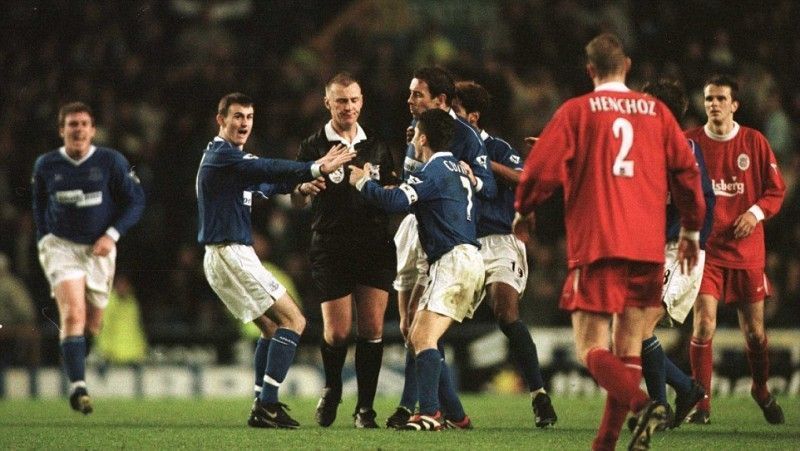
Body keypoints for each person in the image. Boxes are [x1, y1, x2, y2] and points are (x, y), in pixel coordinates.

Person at [513, 33, 706, 451]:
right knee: (629, 349)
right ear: (628, 66)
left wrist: (524, 208)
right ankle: (606, 443)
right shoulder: (657, 112)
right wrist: (691, 229)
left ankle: (643, 404)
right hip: (648, 247)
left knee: (590, 348)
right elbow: (688, 174)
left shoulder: (577, 111)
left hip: (599, 244)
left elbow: (538, 171)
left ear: (590, 70)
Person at [196, 92, 353, 429]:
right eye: (237, 116)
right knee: (294, 321)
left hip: (224, 255)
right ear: (220, 120)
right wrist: (316, 166)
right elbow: (268, 167)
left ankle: (260, 403)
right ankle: (267, 405)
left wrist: (303, 184)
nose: (244, 124)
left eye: (249, 117)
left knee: (269, 328)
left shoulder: (234, 163)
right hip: (230, 252)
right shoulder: (221, 156)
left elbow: (268, 181)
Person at [349, 108, 485, 431]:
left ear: (422, 137)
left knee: (421, 336)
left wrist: (363, 183)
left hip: (453, 261)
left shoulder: (434, 170)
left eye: (415, 133)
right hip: (465, 259)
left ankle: (431, 413)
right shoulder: (455, 167)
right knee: (422, 337)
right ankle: (456, 416)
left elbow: (396, 202)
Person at [385, 66, 496, 430]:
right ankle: (454, 414)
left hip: (450, 238)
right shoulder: (417, 134)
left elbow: (489, 188)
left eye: (418, 94)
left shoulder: (463, 136)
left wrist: (470, 177)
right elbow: (410, 183)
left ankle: (425, 409)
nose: (410, 100)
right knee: (412, 328)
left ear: (440, 99)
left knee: (423, 332)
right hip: (425, 232)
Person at [291, 73, 398, 429]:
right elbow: (295, 197)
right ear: (328, 104)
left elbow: (392, 192)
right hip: (331, 246)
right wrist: (303, 188)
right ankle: (333, 388)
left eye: (353, 100)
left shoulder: (378, 146)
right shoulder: (312, 145)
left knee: (372, 328)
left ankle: (365, 409)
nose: (348, 107)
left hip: (373, 246)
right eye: (340, 101)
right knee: (337, 333)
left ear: (361, 100)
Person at [451, 80, 557, 428]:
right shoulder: (443, 150)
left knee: (505, 312)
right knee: (435, 322)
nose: (451, 117)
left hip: (499, 241)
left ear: (473, 116)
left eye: (457, 111)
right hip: (462, 242)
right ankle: (437, 405)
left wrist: (484, 166)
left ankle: (539, 394)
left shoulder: (495, 147)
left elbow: (525, 179)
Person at [31, 102, 145, 414]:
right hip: (61, 247)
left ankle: (76, 357)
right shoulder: (46, 165)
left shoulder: (111, 161)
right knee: (73, 315)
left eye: (83, 124)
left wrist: (112, 234)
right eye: (72, 124)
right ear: (62, 130)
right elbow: (38, 205)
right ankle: (78, 387)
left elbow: (136, 201)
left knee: (93, 323)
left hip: (99, 249)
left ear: (93, 130)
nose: (78, 129)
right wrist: (44, 238)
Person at [685, 75, 786, 425]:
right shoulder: (691, 142)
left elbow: (776, 190)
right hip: (707, 252)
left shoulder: (754, 142)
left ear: (734, 105)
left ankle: (760, 388)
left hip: (746, 252)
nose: (713, 104)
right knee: (703, 326)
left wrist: (755, 213)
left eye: (720, 99)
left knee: (755, 334)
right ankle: (702, 404)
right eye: (708, 98)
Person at [623, 79, 716, 430]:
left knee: (641, 326)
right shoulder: (645, 146)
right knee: (636, 327)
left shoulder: (683, 147)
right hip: (656, 250)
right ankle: (685, 389)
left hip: (682, 249)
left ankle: (661, 407)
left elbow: (695, 199)